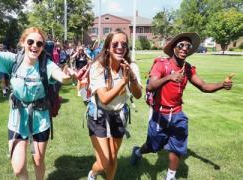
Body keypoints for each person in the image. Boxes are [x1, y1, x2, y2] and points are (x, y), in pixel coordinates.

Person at [0, 15, 73, 180]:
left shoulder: (47, 65)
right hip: (17, 118)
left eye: (39, 43)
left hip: (40, 118)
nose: (34, 46)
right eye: (30, 42)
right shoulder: (13, 59)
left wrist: (68, 76)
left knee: (38, 160)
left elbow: (61, 76)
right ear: (23, 42)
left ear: (43, 46)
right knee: (18, 169)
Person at [130, 32, 233, 180]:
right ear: (173, 48)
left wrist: (222, 85)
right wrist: (169, 77)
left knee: (176, 148)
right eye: (181, 45)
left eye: (188, 46)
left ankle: (170, 177)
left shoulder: (188, 69)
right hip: (160, 114)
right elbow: (151, 86)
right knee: (152, 146)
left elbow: (203, 86)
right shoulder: (161, 64)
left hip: (177, 114)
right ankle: (138, 152)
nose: (185, 48)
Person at [86, 29, 142, 180]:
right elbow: (104, 98)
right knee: (104, 162)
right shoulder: (98, 67)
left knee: (112, 157)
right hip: (98, 115)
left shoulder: (132, 67)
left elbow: (138, 95)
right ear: (107, 47)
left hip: (119, 115)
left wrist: (132, 78)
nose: (120, 47)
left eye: (124, 45)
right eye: (115, 44)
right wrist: (123, 82)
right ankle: (92, 174)